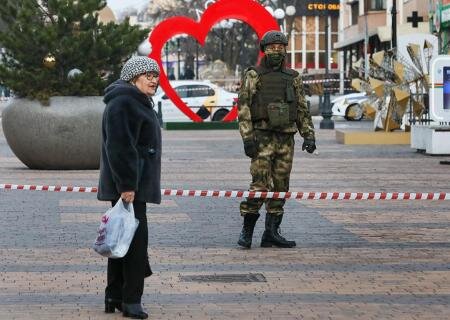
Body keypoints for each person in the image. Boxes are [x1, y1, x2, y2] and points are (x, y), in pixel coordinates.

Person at [237, 30, 316, 249]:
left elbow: (301, 108)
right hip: (261, 137)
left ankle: (271, 232)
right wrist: (247, 137)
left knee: (281, 185)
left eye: (280, 47)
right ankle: (247, 230)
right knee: (260, 185)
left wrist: (308, 134)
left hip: (285, 138)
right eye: (272, 47)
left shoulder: (293, 77)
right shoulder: (254, 74)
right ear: (264, 50)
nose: (276, 51)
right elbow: (243, 107)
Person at [97, 56, 162, 319]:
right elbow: (120, 146)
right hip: (129, 186)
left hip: (133, 184)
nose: (154, 80)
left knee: (120, 238)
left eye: (155, 75)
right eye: (147, 75)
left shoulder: (134, 100)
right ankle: (132, 300)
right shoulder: (124, 102)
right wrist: (127, 185)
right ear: (133, 78)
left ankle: (114, 294)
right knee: (135, 244)